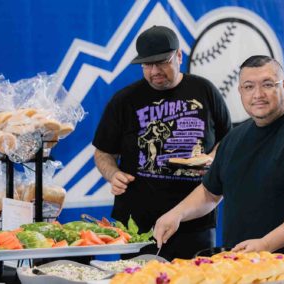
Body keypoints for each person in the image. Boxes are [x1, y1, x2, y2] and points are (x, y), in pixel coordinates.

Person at [154, 55, 284, 255]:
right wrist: (176, 214)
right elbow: (210, 193)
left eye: (268, 84)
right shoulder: (233, 139)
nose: (258, 94)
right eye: (249, 87)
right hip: (239, 265)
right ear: (240, 91)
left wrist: (266, 244)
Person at [92, 25, 232, 260]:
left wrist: (212, 158)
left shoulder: (205, 91)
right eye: (147, 65)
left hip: (195, 220)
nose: (155, 71)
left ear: (179, 56)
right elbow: (103, 152)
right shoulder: (124, 100)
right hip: (138, 224)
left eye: (162, 62)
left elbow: (228, 140)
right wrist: (112, 174)